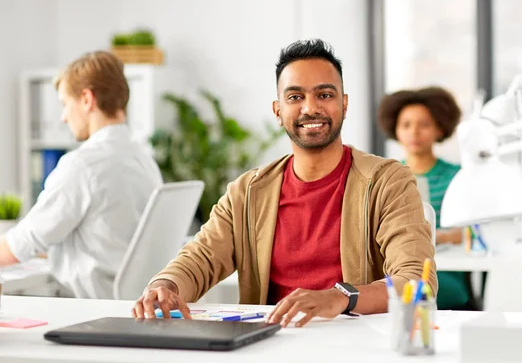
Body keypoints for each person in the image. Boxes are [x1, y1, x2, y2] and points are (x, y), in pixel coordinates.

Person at [132, 39, 437, 327]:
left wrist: (341, 297)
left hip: (355, 344)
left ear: (344, 105)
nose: (310, 108)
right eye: (295, 97)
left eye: (325, 95)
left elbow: (415, 281)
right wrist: (165, 285)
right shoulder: (247, 192)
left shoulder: (387, 181)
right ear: (278, 111)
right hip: (268, 343)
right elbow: (200, 258)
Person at [0, 51, 163, 299]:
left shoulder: (83, 165)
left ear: (87, 99)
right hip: (129, 307)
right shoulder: (144, 160)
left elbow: (23, 243)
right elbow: (109, 241)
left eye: (65, 103)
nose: (64, 116)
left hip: (86, 313)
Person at [376, 86, 472, 310]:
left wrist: (437, 237)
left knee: (410, 288)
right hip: (396, 266)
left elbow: (471, 233)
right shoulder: (385, 177)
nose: (414, 132)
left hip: (444, 271)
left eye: (424, 125)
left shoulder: (457, 176)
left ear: (440, 129)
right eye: (406, 125)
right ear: (395, 129)